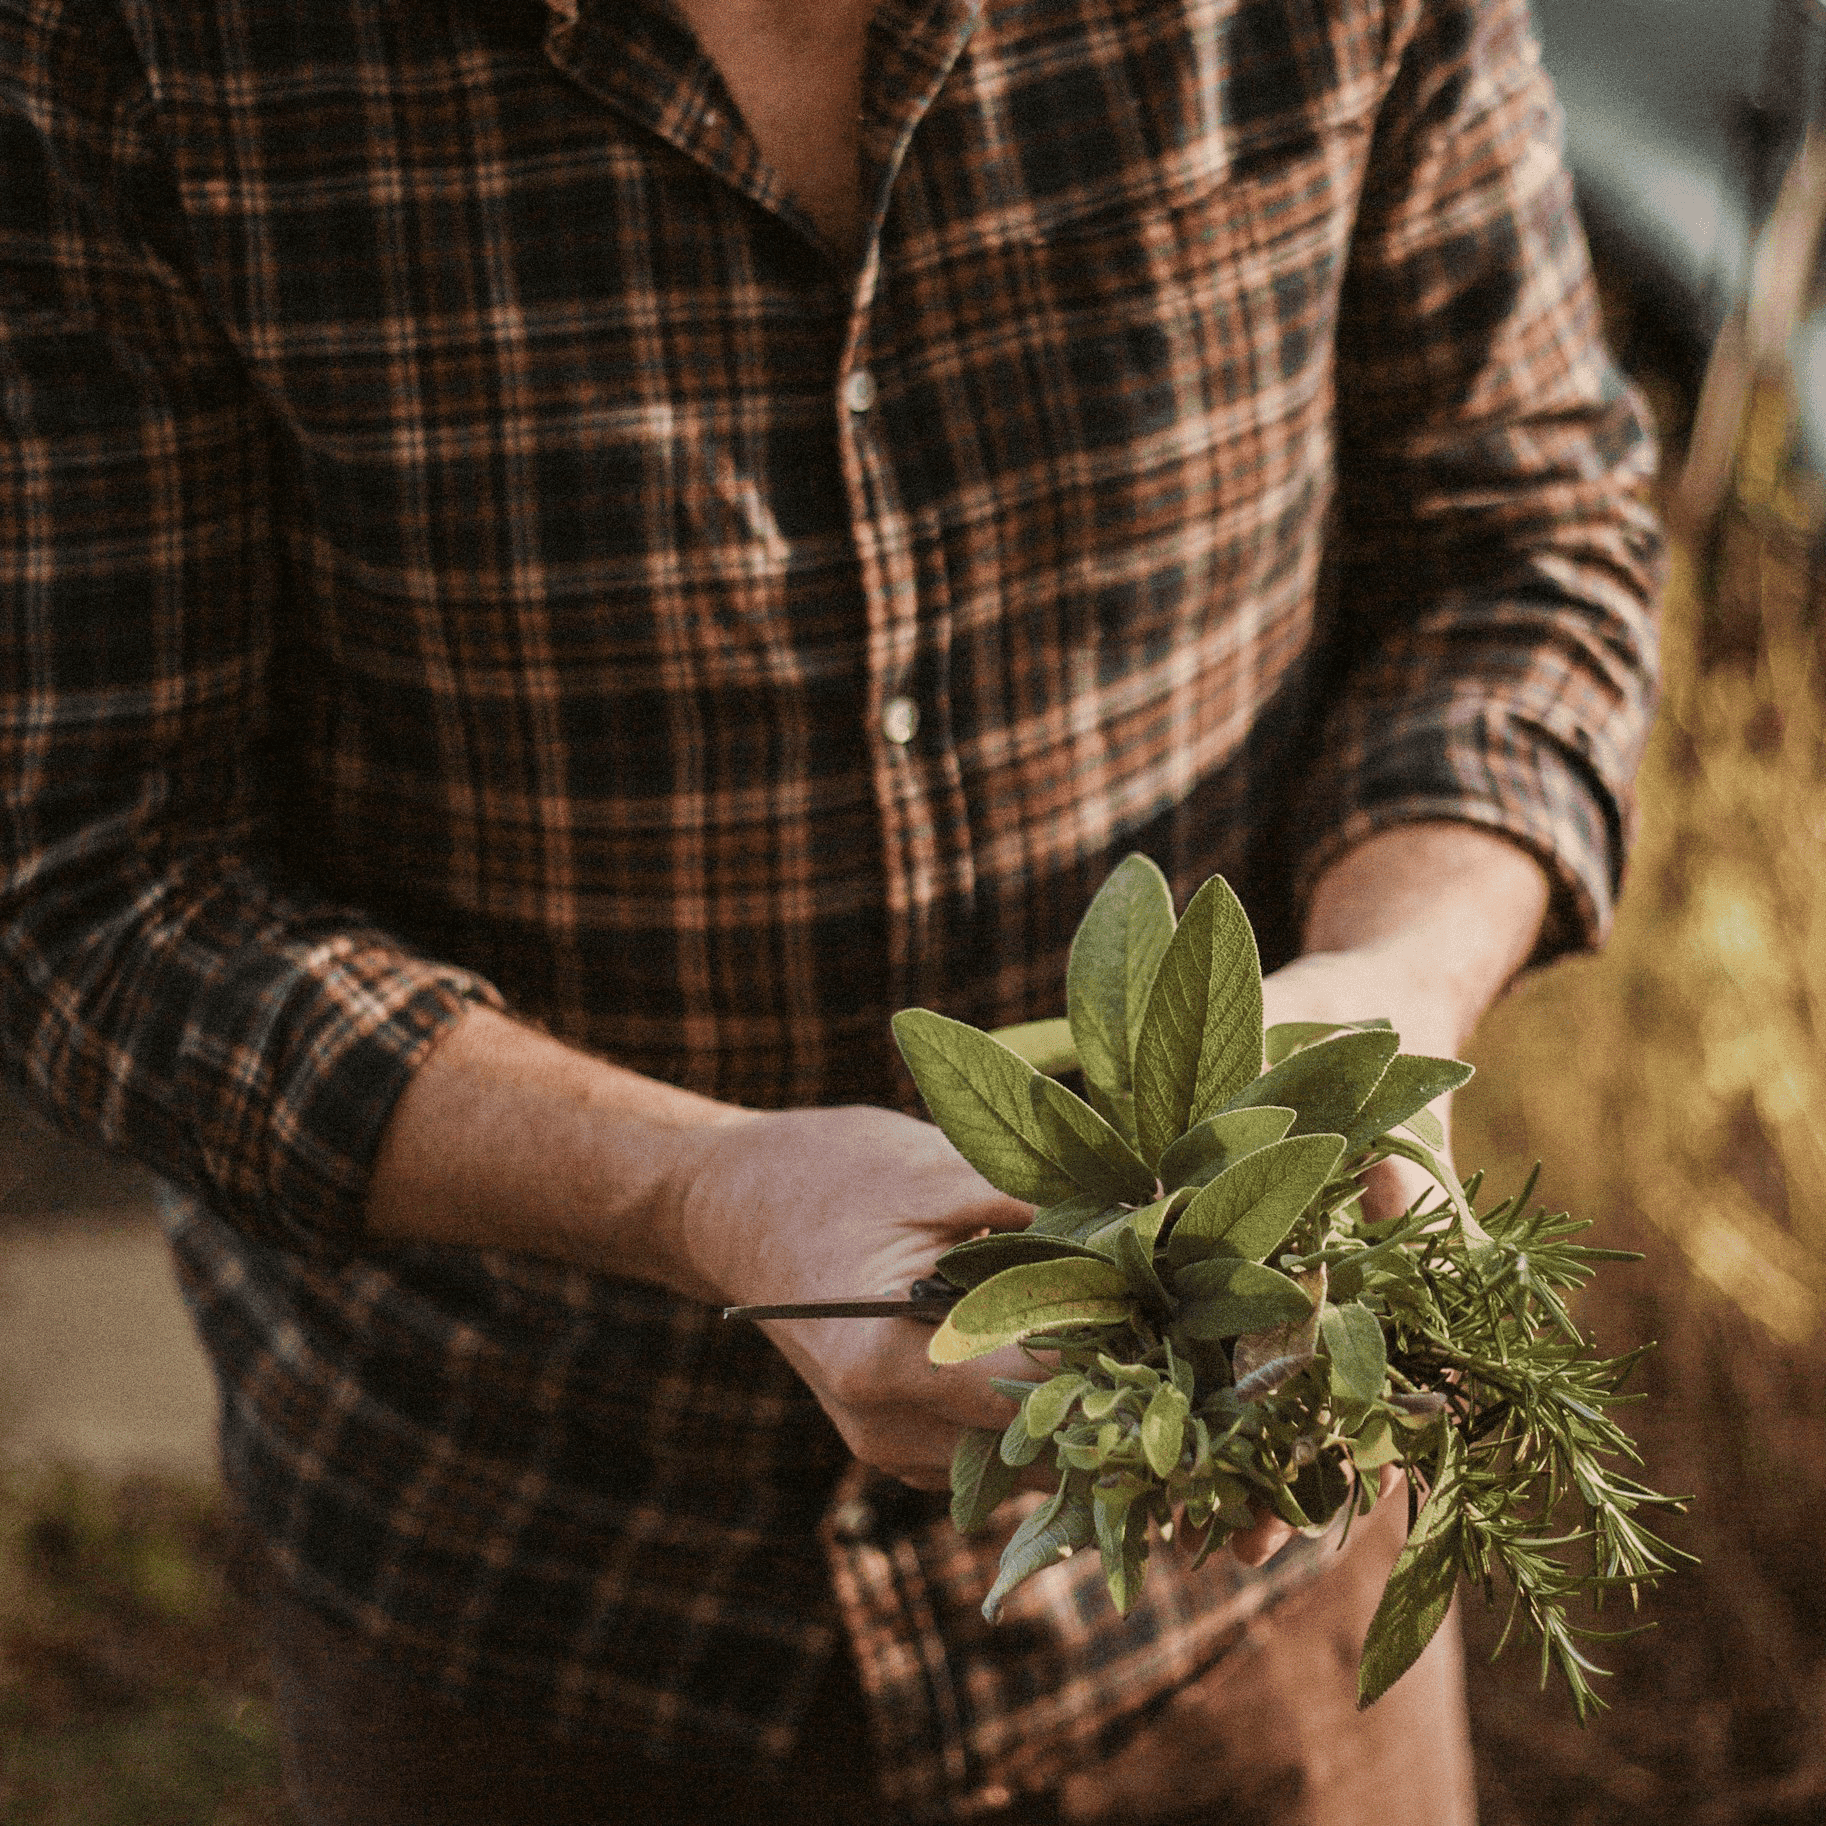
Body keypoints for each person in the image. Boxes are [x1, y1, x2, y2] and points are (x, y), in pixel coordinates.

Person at [0, 0, 1662, 1820]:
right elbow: (90, 874)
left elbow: (1521, 536)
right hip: (539, 1600)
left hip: (1237, 1561)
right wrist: (704, 1192)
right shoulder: (140, 43)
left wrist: (1387, 993)